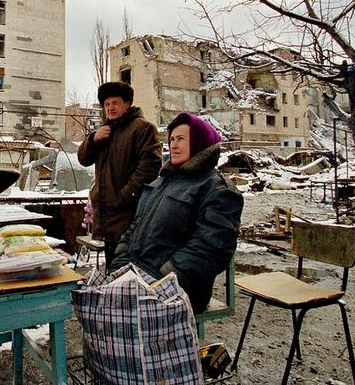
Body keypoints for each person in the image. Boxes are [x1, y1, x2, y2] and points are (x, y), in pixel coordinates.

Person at [109, 112, 243, 313]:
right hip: (138, 279)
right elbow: (134, 228)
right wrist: (119, 265)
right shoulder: (160, 182)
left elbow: (210, 249)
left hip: (178, 291)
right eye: (171, 139)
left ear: (199, 142)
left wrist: (164, 278)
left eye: (181, 139)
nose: (174, 144)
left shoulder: (216, 189)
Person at [77, 81, 162, 267]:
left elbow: (150, 167)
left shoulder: (142, 128)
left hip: (129, 216)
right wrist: (93, 139)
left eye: (115, 103)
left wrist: (124, 196)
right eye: (107, 104)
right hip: (107, 218)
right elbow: (83, 159)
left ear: (128, 103)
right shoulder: (105, 131)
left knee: (128, 271)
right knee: (112, 267)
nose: (110, 108)